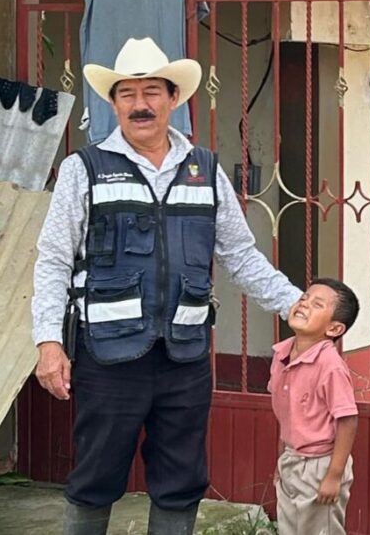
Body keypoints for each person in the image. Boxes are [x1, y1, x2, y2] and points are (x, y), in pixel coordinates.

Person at [31, 37, 304, 535]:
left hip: (184, 358)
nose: (140, 105)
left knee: (181, 481)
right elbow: (52, 260)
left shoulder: (205, 170)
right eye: (128, 93)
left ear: (173, 98)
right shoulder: (83, 169)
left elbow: (240, 254)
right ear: (112, 103)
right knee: (94, 478)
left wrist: (295, 304)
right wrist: (49, 343)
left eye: (152, 91)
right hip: (108, 357)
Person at [269, 278, 360, 535]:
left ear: (334, 328)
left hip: (321, 464)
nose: (304, 304)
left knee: (321, 531)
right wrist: (282, 458)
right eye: (304, 298)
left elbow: (347, 420)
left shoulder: (329, 365)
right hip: (292, 459)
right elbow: (286, 415)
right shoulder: (281, 356)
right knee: (289, 529)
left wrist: (333, 475)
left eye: (316, 304)